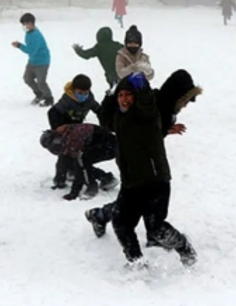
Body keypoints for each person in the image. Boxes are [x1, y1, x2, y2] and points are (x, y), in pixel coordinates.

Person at [83, 73, 196, 267]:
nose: (124, 99)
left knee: (156, 229)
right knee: (121, 223)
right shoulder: (119, 119)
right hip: (131, 182)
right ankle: (136, 263)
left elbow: (147, 103)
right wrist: (111, 94)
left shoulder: (147, 114)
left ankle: (184, 247)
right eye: (121, 95)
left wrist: (142, 87)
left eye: (129, 95)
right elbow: (105, 119)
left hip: (155, 181)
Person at [47, 74, 103, 189]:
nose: (83, 96)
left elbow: (99, 110)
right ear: (74, 90)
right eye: (80, 93)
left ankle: (73, 171)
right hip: (65, 130)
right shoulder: (67, 100)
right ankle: (60, 179)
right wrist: (57, 127)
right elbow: (52, 112)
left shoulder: (89, 99)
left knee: (77, 154)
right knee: (65, 154)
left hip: (78, 131)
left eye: (85, 93)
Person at [40, 124, 118, 201]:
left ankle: (91, 187)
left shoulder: (73, 138)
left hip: (111, 147)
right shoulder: (65, 137)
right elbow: (63, 159)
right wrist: (59, 180)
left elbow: (79, 165)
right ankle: (106, 178)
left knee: (82, 160)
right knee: (75, 160)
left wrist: (74, 193)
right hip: (99, 144)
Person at [12, 13, 53, 106]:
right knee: (27, 79)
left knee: (41, 82)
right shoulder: (28, 33)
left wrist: (19, 46)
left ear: (31, 23)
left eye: (26, 24)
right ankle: (39, 94)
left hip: (42, 62)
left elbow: (32, 50)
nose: (24, 26)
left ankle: (49, 98)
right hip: (32, 61)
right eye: (23, 24)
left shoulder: (36, 35)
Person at [72, 27, 124, 91]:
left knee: (116, 91)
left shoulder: (99, 47)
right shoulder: (118, 45)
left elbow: (86, 55)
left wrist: (78, 50)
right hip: (123, 73)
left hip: (111, 76)